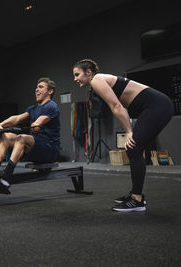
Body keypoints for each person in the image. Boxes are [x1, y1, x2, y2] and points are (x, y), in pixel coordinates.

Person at [73, 59, 174, 212]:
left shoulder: (97, 80)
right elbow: (120, 107)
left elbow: (116, 106)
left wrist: (129, 132)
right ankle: (136, 195)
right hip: (156, 106)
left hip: (157, 106)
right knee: (135, 149)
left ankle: (137, 199)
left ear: (88, 72)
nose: (75, 79)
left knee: (133, 148)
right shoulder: (99, 81)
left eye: (77, 74)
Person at [0, 77, 61, 187]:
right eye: (36, 87)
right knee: (6, 136)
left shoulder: (51, 106)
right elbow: (16, 119)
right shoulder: (32, 109)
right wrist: (0, 125)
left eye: (41, 87)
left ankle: (7, 174)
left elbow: (39, 122)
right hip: (35, 147)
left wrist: (36, 125)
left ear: (50, 91)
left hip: (49, 149)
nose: (36, 89)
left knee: (21, 138)